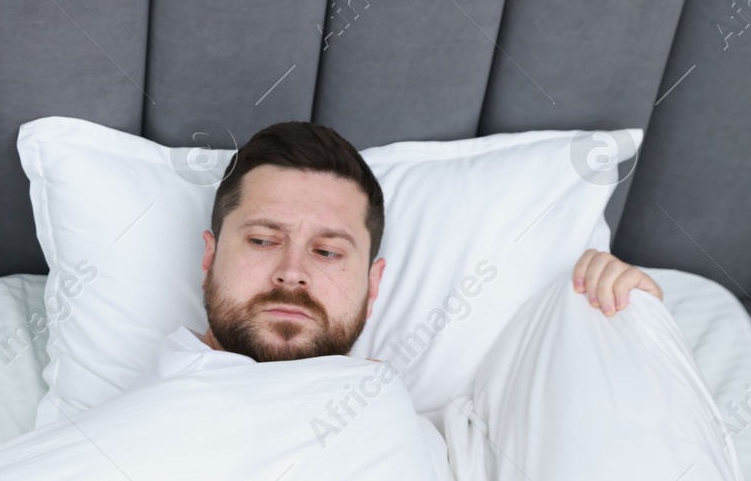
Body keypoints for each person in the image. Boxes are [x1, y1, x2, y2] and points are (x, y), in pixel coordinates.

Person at [182, 121, 661, 364]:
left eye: (327, 252)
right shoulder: (122, 439)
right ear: (209, 256)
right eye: (264, 240)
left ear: (373, 286)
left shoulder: (436, 438)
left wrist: (633, 327)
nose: (293, 270)